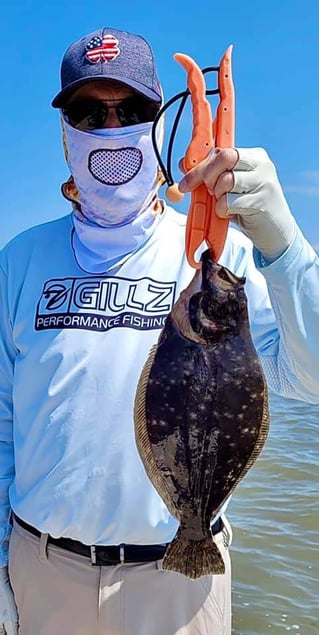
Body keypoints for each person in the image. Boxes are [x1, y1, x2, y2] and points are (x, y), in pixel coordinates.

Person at [0, 25, 318, 635]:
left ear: (159, 123)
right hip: (41, 571)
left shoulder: (218, 256)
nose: (110, 127)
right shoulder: (19, 261)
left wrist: (283, 242)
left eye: (132, 110)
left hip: (180, 583)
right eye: (89, 113)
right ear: (65, 136)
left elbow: (312, 376)